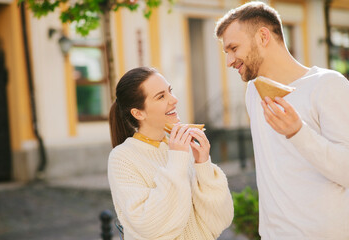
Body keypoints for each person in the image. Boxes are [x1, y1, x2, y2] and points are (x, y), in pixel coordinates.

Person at [215, 1, 349, 240]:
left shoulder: (328, 85)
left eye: (234, 48)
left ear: (263, 36)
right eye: (227, 52)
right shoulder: (253, 92)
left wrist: (298, 132)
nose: (229, 61)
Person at [107, 67, 234, 240]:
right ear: (138, 113)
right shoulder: (122, 158)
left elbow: (220, 220)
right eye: (161, 96)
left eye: (170, 91)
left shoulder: (182, 148)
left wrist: (203, 165)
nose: (174, 100)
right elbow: (150, 227)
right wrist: (177, 162)